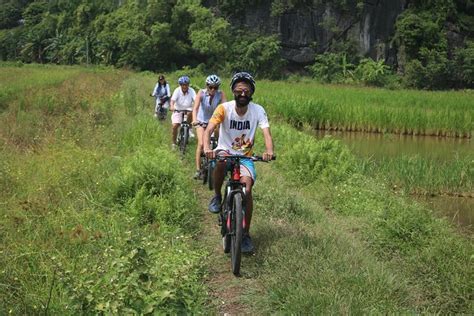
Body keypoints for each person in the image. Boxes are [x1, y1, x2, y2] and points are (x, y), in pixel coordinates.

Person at [203, 72, 274, 253]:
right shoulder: (223, 108)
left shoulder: (258, 110)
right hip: (224, 150)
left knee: (247, 190)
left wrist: (269, 151)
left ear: (251, 93)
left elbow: (266, 132)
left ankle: (245, 234)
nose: (243, 94)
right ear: (233, 91)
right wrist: (206, 147)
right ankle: (218, 196)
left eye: (246, 91)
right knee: (219, 162)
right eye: (239, 90)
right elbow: (210, 128)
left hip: (245, 156)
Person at [192, 74, 227, 179]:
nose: (213, 89)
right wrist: (194, 120)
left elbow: (226, 108)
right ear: (206, 86)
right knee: (202, 144)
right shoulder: (201, 93)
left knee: (219, 142)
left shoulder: (220, 94)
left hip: (214, 122)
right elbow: (195, 108)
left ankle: (218, 165)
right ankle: (198, 170)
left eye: (215, 87)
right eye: (210, 87)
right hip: (201, 121)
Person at [170, 75, 196, 149]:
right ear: (180, 85)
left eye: (186, 85)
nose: (184, 86)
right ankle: (174, 143)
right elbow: (172, 100)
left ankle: (189, 128)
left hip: (188, 109)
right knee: (175, 126)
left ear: (188, 85)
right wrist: (172, 106)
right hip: (178, 109)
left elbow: (196, 100)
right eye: (183, 85)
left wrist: (195, 107)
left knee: (190, 113)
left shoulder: (191, 90)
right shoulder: (177, 90)